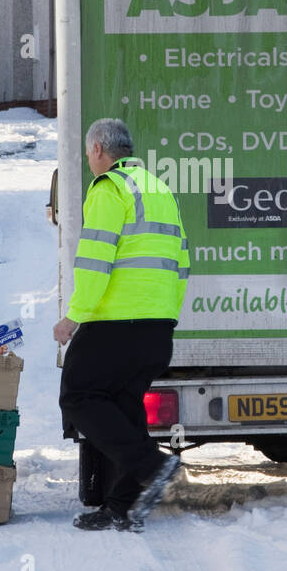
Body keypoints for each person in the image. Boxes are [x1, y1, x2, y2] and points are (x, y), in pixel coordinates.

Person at [53, 118, 189, 532]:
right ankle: (122, 506)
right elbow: (181, 262)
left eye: (88, 153)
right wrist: (166, 315)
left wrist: (74, 316)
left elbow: (96, 260)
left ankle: (154, 467)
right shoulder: (158, 189)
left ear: (98, 150)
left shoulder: (111, 189)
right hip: (156, 327)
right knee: (124, 408)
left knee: (78, 396)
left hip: (116, 324)